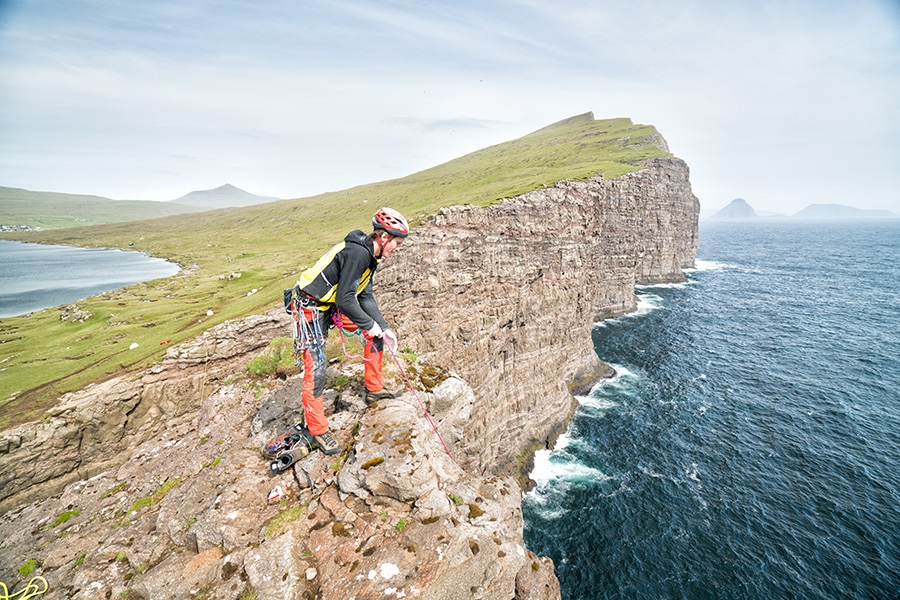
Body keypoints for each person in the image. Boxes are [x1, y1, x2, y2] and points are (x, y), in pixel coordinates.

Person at [288, 207, 408, 455]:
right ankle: (317, 430)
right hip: (310, 308)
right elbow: (345, 299)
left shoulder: (371, 256)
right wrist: (370, 324)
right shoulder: (358, 254)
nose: (398, 248)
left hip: (328, 304)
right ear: (383, 238)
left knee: (375, 335)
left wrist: (383, 328)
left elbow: (365, 295)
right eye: (397, 242)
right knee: (317, 369)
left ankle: (374, 389)